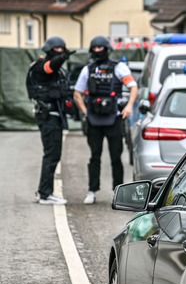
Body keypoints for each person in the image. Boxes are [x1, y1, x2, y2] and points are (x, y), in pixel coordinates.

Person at [73, 35, 138, 204]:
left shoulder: (119, 67)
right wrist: (85, 112)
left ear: (107, 49)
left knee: (116, 158)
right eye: (94, 48)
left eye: (100, 48)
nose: (97, 51)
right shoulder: (87, 69)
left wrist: (129, 106)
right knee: (94, 157)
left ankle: (118, 192)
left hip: (114, 118)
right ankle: (92, 191)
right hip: (94, 120)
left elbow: (133, 87)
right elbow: (77, 94)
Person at [27, 35, 74, 205]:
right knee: (51, 154)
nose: (60, 53)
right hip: (48, 116)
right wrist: (62, 58)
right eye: (57, 50)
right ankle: (44, 194)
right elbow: (49, 68)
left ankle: (45, 192)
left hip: (55, 116)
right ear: (49, 50)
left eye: (62, 50)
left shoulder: (58, 69)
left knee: (54, 154)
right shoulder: (41, 66)